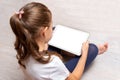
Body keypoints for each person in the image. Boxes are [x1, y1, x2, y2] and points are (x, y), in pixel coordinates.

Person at [9, 2, 108, 80]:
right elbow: (74, 79)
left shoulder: (23, 45)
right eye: (50, 26)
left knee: (56, 32)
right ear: (43, 32)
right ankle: (84, 52)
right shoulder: (54, 62)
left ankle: (71, 51)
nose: (52, 28)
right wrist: (85, 53)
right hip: (50, 70)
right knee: (92, 49)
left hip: (39, 70)